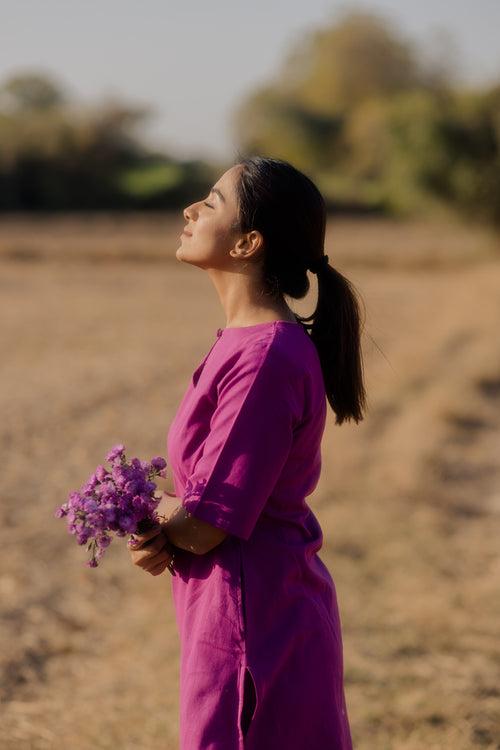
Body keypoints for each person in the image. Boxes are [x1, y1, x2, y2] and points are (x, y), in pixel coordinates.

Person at [128, 155, 367, 749]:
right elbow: (200, 513)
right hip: (235, 608)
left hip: (255, 626)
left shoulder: (263, 359)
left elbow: (206, 525)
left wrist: (135, 504)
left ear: (248, 242)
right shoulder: (245, 345)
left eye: (210, 202)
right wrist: (162, 531)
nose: (190, 209)